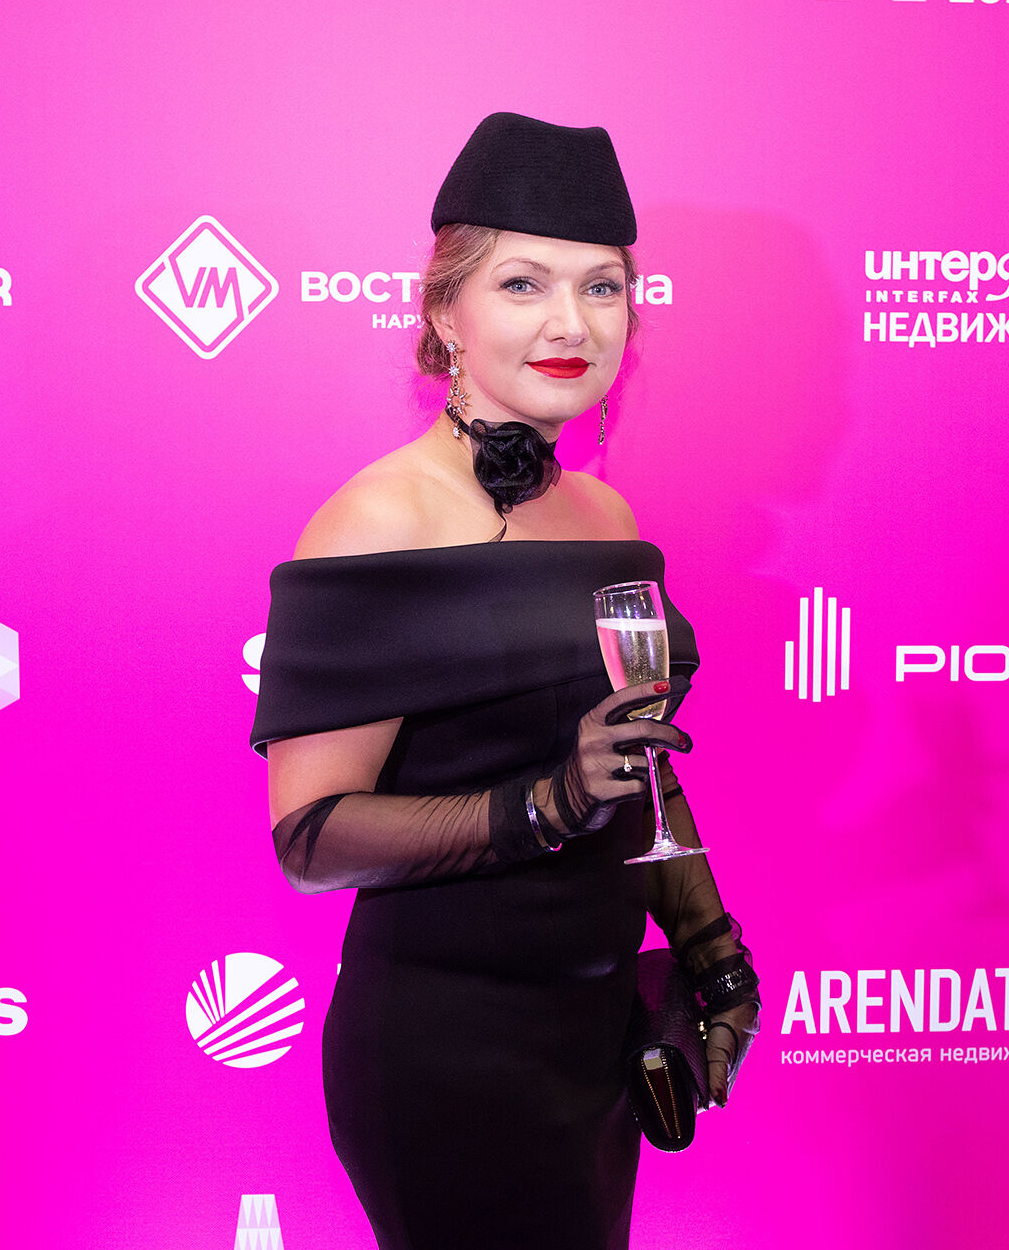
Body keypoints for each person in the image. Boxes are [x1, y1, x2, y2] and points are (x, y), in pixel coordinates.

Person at [249, 112, 759, 1250]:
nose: (572, 322)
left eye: (603, 288)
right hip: (448, 1049)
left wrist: (710, 941)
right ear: (446, 313)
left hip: (595, 1032)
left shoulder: (607, 516)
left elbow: (637, 771)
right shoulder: (377, 520)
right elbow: (309, 839)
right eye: (523, 284)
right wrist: (545, 802)